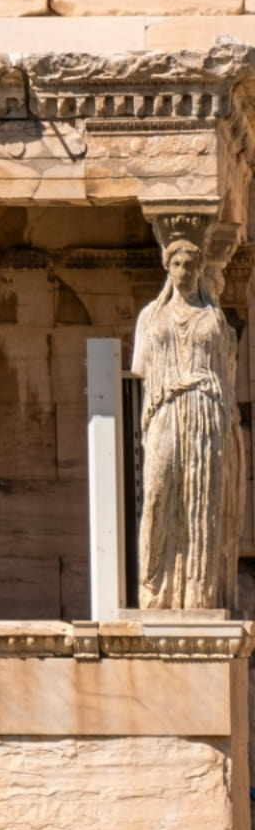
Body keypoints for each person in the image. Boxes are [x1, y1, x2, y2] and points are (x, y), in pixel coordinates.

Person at [133, 237, 241, 610]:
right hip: (165, 410)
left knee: (202, 500)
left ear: (200, 270)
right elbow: (140, 366)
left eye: (190, 266)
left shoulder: (213, 318)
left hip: (204, 410)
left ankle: (198, 592)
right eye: (177, 265)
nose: (183, 272)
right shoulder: (151, 316)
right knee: (158, 490)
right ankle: (154, 588)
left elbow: (226, 371)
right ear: (168, 268)